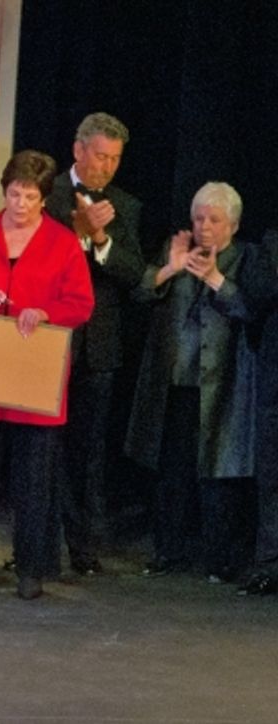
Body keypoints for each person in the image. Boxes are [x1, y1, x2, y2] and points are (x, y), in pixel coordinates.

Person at [0, 150, 93, 600]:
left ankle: (31, 567)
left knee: (33, 477)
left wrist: (46, 311)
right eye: (12, 193)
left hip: (33, 372)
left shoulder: (63, 242)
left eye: (29, 195)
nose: (19, 203)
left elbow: (81, 303)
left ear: (44, 199)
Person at [124, 182, 257, 584]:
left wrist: (216, 279)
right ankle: (169, 551)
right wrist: (170, 267)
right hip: (174, 384)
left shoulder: (246, 257)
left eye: (214, 219)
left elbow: (252, 309)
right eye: (199, 218)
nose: (204, 226)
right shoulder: (176, 248)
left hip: (223, 385)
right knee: (172, 471)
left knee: (218, 476)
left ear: (232, 224)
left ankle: (220, 559)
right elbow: (141, 293)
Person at [43, 112, 144, 575]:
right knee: (41, 448)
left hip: (98, 349)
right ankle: (38, 546)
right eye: (100, 155)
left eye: (115, 159)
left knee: (87, 454)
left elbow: (133, 273)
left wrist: (100, 237)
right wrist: (76, 232)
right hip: (47, 340)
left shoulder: (125, 205)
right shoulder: (45, 192)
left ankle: (83, 549)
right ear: (78, 149)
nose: (105, 167)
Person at [240, 230, 278, 595]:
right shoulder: (268, 243)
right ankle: (269, 563)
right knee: (271, 476)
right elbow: (258, 292)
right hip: (274, 381)